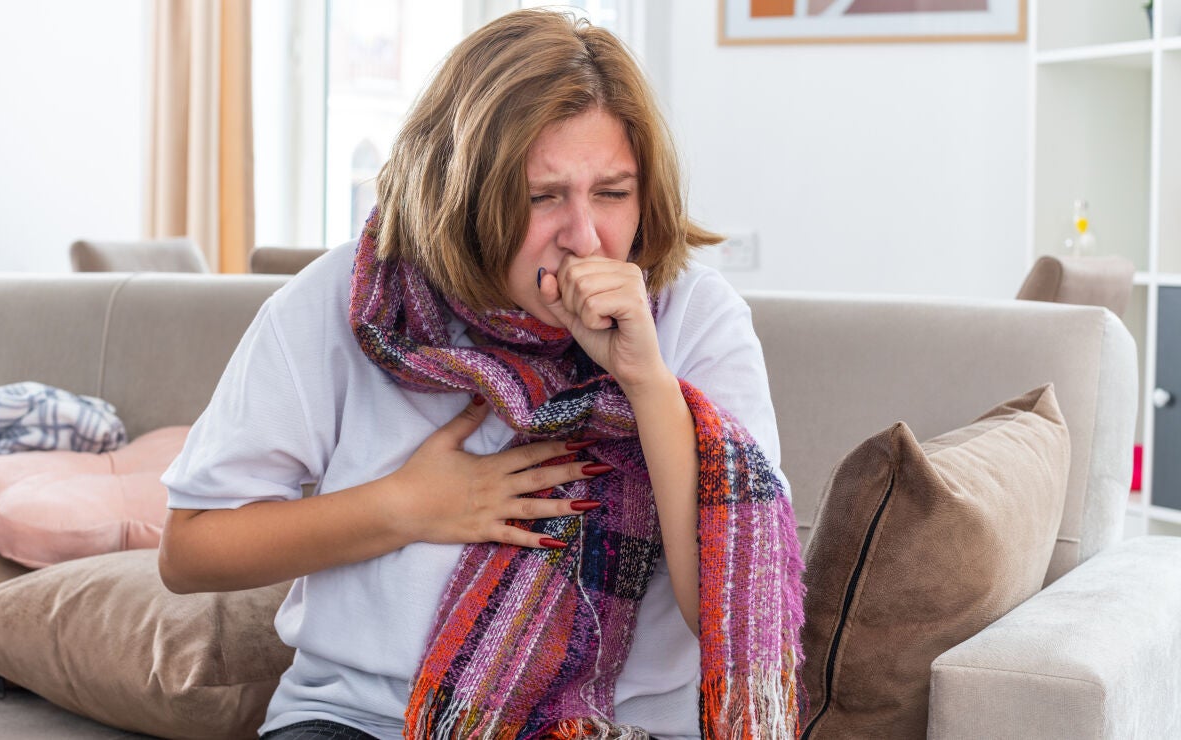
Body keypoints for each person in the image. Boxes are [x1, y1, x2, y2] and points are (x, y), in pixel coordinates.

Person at [158, 9, 804, 740]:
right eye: (542, 197)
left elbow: (721, 608)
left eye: (613, 193)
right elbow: (189, 550)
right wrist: (404, 506)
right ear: (461, 194)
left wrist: (648, 382)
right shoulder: (343, 300)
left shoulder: (696, 320)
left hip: (621, 729)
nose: (585, 237)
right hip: (362, 720)